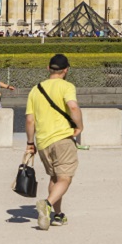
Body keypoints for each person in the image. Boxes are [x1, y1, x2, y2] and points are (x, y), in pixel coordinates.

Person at [25, 54, 84, 231]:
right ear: (66, 70)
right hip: (62, 138)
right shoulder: (66, 86)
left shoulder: (36, 89)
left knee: (55, 178)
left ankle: (56, 215)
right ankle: (47, 203)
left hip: (42, 141)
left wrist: (30, 142)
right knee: (65, 178)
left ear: (48, 69)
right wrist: (80, 126)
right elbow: (73, 107)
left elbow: (29, 120)